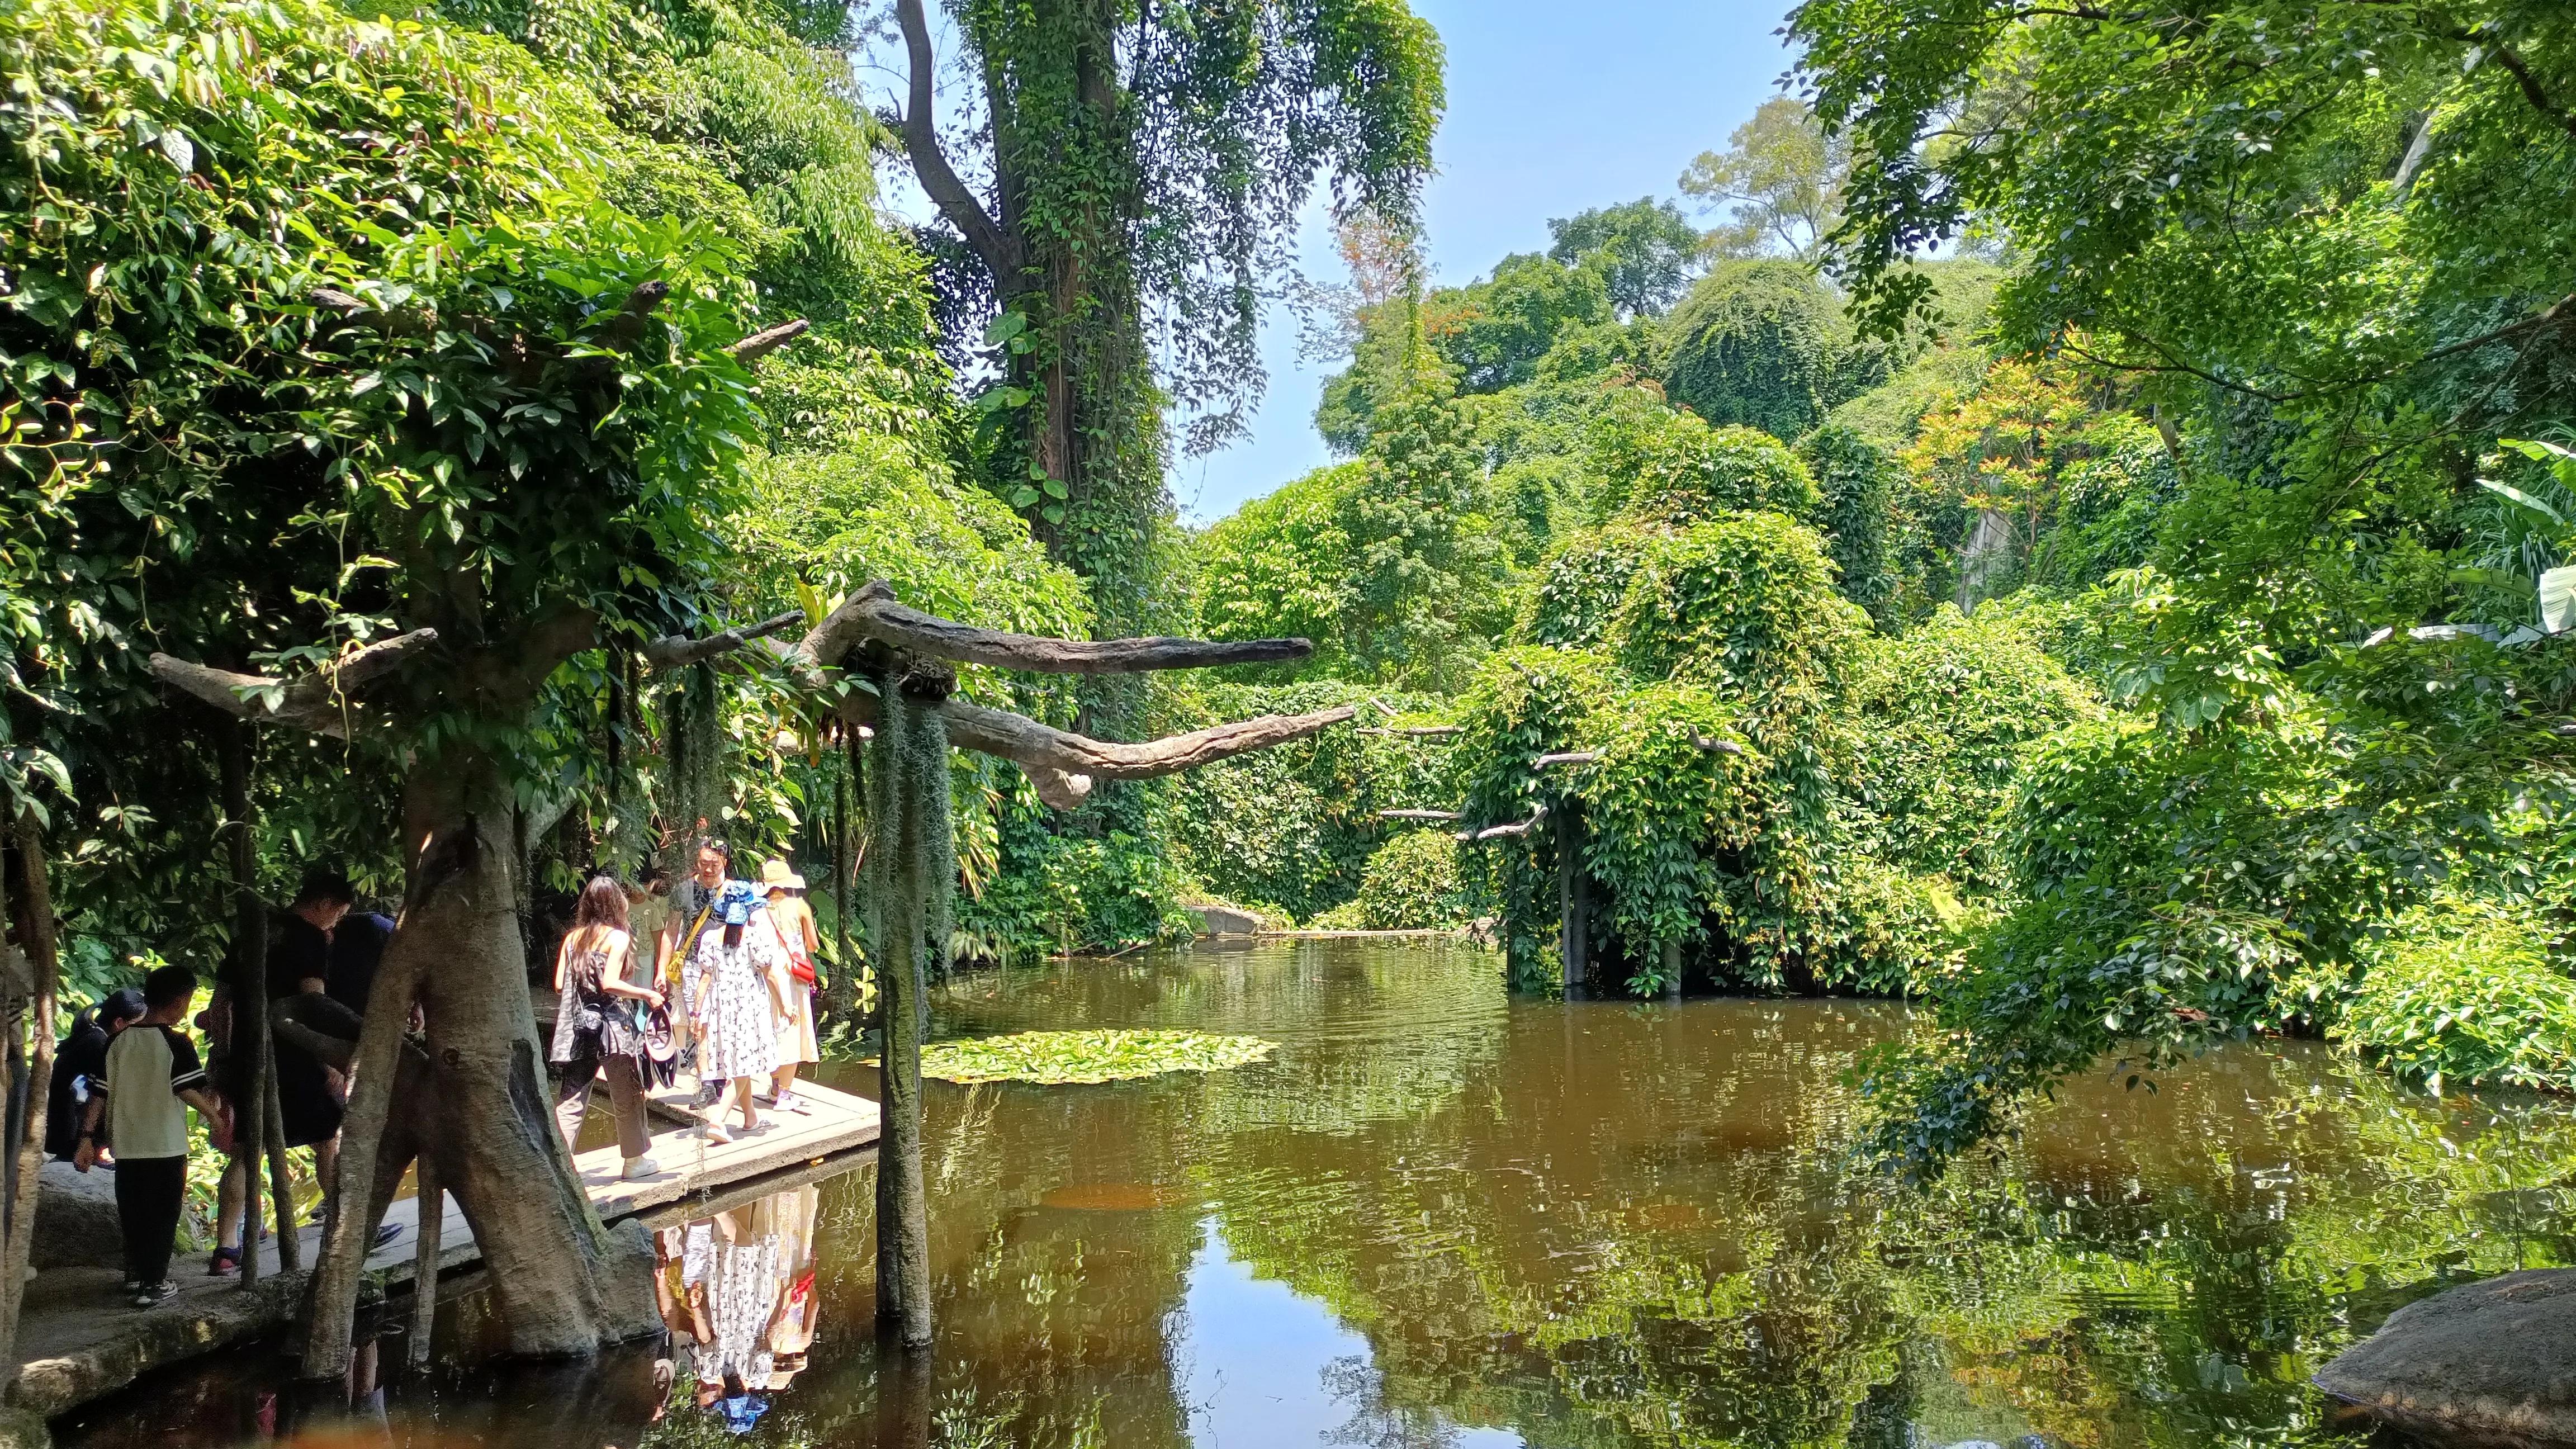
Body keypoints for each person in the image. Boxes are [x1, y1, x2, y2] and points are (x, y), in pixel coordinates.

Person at [75, 964, 218, 1308]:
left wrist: (86, 1138)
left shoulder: (117, 1041)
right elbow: (185, 1090)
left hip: (126, 1144)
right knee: (163, 1214)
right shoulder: (176, 1043)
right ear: (181, 1002)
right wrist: (214, 1114)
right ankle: (154, 1285)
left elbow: (99, 1095)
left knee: (135, 1211)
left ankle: (137, 1274)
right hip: (165, 1145)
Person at [550, 875, 666, 1181]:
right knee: (627, 1095)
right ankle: (634, 1163)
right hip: (613, 1029)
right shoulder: (617, 938)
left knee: (572, 1099)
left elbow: (561, 984)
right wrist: (647, 994)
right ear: (617, 903)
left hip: (580, 1029)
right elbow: (610, 984)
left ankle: (559, 1168)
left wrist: (584, 984)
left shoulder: (573, 939)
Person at [686, 880, 787, 1142]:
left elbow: (704, 979)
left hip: (722, 1009)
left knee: (741, 1062)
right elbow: (771, 976)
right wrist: (786, 1006)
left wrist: (696, 1014)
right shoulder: (754, 937)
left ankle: (750, 1117)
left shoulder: (710, 938)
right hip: (750, 1008)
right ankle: (718, 1120)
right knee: (742, 1068)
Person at [660, 839, 734, 1107]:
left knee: (725, 1023)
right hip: (693, 965)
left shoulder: (734, 892)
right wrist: (661, 969)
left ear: (724, 861)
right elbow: (671, 931)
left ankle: (721, 1077)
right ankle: (706, 1084)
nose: (709, 869)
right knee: (698, 1023)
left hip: (727, 967)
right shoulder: (684, 891)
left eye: (714, 864)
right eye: (704, 863)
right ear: (696, 863)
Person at [48, 988, 145, 1163]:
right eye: (138, 1026)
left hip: (63, 1123)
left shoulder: (94, 1034)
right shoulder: (97, 1044)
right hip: (66, 1131)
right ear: (119, 1023)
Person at [756, 860, 819, 1116]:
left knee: (771, 1028)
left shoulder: (757, 912)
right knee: (792, 1028)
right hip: (793, 976)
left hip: (766, 976)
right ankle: (784, 1093)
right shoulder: (800, 906)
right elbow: (812, 945)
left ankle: (773, 1085)